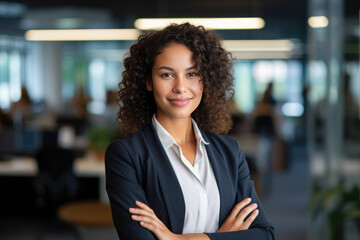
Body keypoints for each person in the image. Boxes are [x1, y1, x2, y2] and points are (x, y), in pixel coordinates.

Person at [105, 23, 275, 240]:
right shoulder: (127, 155)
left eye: (192, 74)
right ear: (148, 81)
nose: (181, 87)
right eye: (167, 75)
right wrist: (223, 236)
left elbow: (265, 234)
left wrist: (178, 239)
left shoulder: (229, 151)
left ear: (206, 80)